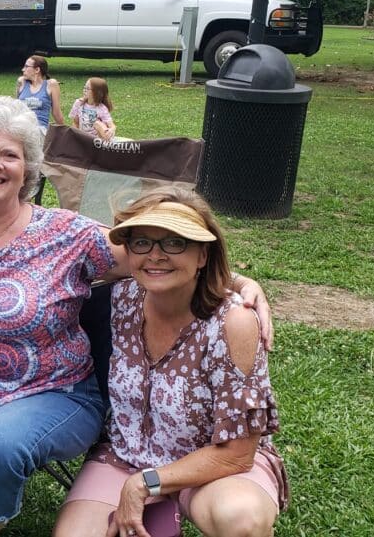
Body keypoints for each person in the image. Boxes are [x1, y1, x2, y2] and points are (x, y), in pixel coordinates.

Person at [0, 96, 272, 537]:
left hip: (49, 392)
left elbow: (153, 254)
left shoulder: (68, 233)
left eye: (10, 155)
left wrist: (237, 281)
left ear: (27, 169)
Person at [53, 188, 287, 537]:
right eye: (142, 242)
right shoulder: (118, 300)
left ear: (202, 254)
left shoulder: (232, 321)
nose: (155, 255)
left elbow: (237, 453)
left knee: (240, 519)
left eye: (175, 242)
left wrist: (146, 483)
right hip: (126, 455)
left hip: (215, 464)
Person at [15, 54, 63, 132]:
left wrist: (63, 133)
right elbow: (16, 108)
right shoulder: (22, 82)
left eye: (26, 67)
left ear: (37, 70)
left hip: (40, 130)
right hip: (21, 128)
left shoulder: (51, 84)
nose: (23, 69)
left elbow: (56, 113)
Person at [70, 77, 116, 142]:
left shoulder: (102, 108)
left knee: (98, 124)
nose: (84, 90)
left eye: (87, 88)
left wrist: (111, 129)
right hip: (83, 136)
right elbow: (75, 123)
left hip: (98, 139)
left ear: (97, 92)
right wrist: (74, 138)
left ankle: (106, 144)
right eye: (84, 87)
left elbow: (111, 125)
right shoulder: (79, 103)